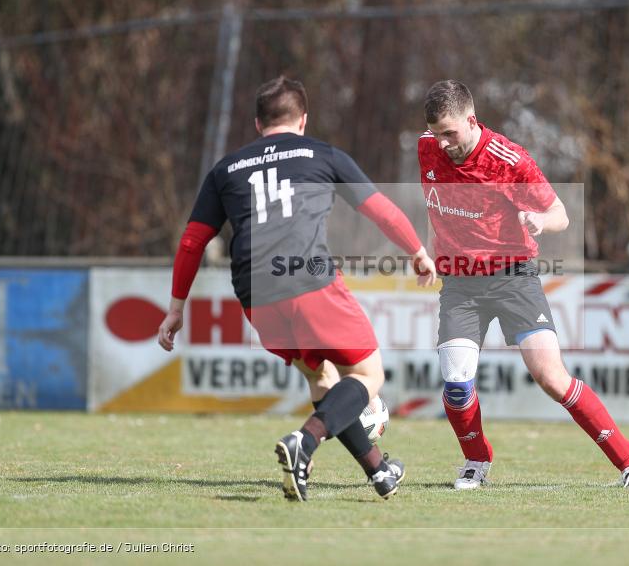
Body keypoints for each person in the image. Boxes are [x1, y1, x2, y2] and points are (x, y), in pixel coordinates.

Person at [157, 76, 437, 502]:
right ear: (303, 119)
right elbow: (379, 210)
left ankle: (379, 470)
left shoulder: (226, 169)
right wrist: (417, 249)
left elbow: (193, 240)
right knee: (367, 375)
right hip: (308, 279)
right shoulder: (323, 154)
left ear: (257, 123)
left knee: (321, 377)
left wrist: (176, 307)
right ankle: (303, 443)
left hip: (254, 292)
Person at [416, 80, 629, 491]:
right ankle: (476, 462)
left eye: (450, 133)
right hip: (460, 283)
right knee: (457, 385)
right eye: (436, 133)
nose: (443, 143)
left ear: (471, 121)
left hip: (513, 277)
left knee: (550, 376)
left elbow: (559, 212)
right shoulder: (427, 146)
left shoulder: (508, 160)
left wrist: (540, 221)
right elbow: (436, 203)